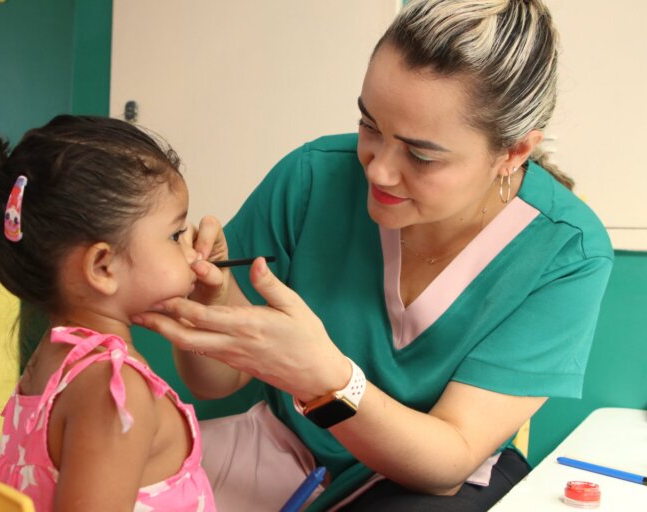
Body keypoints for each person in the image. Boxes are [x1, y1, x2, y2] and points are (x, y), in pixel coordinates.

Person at [135, 1, 614, 510]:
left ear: (514, 152)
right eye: (369, 126)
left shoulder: (566, 251)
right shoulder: (311, 178)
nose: (379, 170)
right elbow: (215, 383)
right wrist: (215, 304)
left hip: (423, 481)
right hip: (282, 451)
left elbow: (448, 461)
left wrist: (327, 380)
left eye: (421, 155)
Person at [0, 115, 216, 512]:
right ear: (103, 267)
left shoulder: (52, 360)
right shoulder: (116, 390)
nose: (193, 249)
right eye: (175, 234)